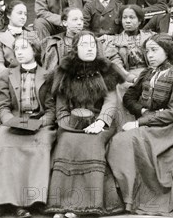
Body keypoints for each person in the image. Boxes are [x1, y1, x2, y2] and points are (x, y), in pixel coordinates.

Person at [0, 36, 56, 218]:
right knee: (3, 147)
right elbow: (3, 107)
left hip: (40, 125)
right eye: (17, 49)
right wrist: (12, 121)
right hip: (13, 123)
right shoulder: (6, 75)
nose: (20, 52)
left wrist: (40, 123)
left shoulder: (47, 75)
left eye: (25, 48)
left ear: (35, 50)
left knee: (41, 147)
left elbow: (51, 109)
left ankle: (28, 202)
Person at [107, 34, 173, 216]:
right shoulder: (147, 73)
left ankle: (137, 197)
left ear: (167, 52)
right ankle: (126, 196)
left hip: (170, 126)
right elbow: (129, 97)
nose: (149, 55)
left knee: (124, 140)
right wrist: (143, 112)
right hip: (149, 122)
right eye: (147, 51)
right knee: (119, 141)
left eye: (154, 50)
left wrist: (140, 122)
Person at [47, 31, 124, 217]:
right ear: (75, 49)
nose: (90, 48)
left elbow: (110, 101)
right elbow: (61, 107)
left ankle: (87, 205)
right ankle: (62, 204)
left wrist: (101, 122)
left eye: (92, 44)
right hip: (70, 124)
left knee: (92, 142)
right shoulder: (64, 72)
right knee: (66, 142)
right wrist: (68, 125)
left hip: (100, 121)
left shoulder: (106, 69)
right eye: (84, 44)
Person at [0, 1, 36, 81]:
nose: (23, 17)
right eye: (19, 13)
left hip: (31, 76)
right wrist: (10, 75)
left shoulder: (32, 34)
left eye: (25, 14)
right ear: (8, 15)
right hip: (8, 77)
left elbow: (39, 59)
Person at [41, 7, 84, 74]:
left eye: (81, 19)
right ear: (65, 23)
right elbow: (51, 72)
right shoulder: (55, 43)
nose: (79, 23)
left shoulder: (88, 41)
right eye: (75, 19)